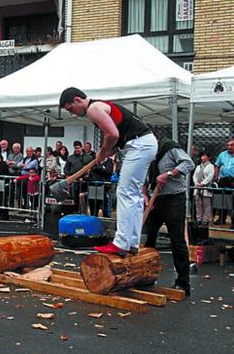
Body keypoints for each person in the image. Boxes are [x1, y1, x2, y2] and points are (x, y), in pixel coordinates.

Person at [60, 87, 157, 256]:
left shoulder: (93, 109)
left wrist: (103, 151)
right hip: (142, 143)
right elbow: (116, 136)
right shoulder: (99, 106)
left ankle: (121, 243)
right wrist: (107, 151)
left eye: (71, 109)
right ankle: (132, 242)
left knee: (125, 192)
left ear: (77, 100)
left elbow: (112, 134)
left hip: (139, 144)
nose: (72, 113)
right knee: (132, 195)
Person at [144, 137, 194, 296]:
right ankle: (146, 277)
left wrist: (169, 173)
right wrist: (145, 195)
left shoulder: (170, 148)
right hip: (155, 199)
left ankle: (183, 283)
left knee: (177, 240)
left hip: (174, 198)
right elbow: (143, 179)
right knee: (148, 239)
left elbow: (188, 163)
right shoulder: (145, 154)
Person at [214, 139, 234, 226]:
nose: (229, 147)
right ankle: (221, 218)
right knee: (222, 199)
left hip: (233, 179)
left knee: (233, 200)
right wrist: (216, 177)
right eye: (228, 145)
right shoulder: (223, 154)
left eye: (232, 145)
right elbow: (217, 165)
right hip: (223, 179)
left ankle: (233, 222)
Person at [193, 152, 215, 226]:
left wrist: (202, 183)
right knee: (198, 204)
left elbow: (210, 176)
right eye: (202, 156)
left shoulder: (210, 166)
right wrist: (197, 183)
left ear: (208, 157)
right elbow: (194, 176)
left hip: (206, 187)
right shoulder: (198, 167)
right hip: (197, 187)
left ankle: (206, 219)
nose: (203, 157)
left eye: (204, 156)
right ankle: (199, 219)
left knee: (206, 204)